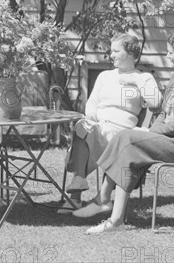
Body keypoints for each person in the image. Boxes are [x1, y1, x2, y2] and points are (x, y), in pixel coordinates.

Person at [81, 29, 174, 234]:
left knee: (128, 139)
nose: (167, 56)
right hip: (169, 139)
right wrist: (149, 130)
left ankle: (107, 207)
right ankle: (111, 212)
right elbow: (164, 113)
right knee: (125, 139)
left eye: (171, 52)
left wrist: (148, 131)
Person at [59, 33, 162, 214]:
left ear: (130, 53)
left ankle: (84, 195)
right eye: (111, 51)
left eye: (116, 51)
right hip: (98, 125)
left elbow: (155, 103)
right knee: (81, 126)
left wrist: (136, 80)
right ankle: (79, 184)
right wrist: (91, 114)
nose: (111, 55)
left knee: (98, 132)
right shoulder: (105, 76)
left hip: (121, 131)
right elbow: (92, 102)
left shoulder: (143, 77)